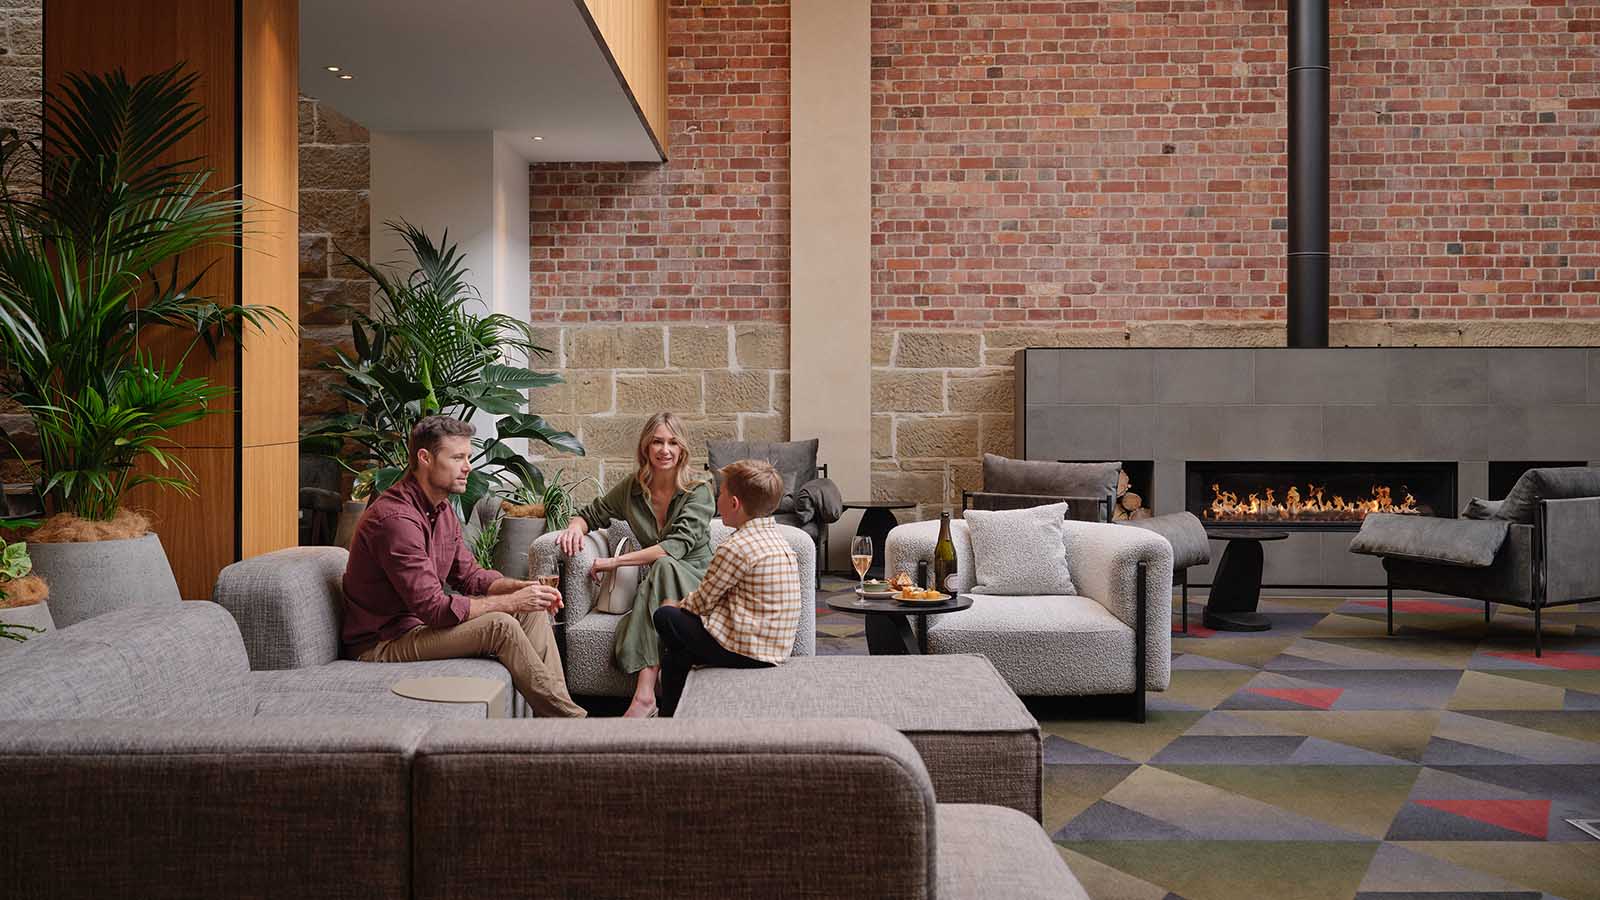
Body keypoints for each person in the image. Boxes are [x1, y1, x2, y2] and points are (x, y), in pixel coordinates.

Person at [341, 415, 585, 718]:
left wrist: (523, 589)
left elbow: (471, 576)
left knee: (530, 610)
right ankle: (574, 723)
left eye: (468, 457)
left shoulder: (441, 510)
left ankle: (556, 724)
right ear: (425, 458)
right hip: (382, 643)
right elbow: (434, 609)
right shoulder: (395, 520)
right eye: (457, 457)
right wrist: (510, 602)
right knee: (501, 626)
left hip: (418, 628)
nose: (468, 466)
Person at [556, 412, 715, 718]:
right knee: (660, 572)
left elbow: (675, 548)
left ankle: (644, 696)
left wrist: (614, 562)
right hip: (660, 582)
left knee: (664, 566)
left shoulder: (699, 489)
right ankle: (648, 697)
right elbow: (591, 514)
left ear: (682, 449)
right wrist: (575, 528)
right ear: (645, 446)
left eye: (672, 442)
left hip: (699, 578)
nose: (664, 450)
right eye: (657, 442)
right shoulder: (632, 489)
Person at [651, 459, 804, 717]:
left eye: (720, 493)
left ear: (734, 503)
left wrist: (673, 604)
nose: (716, 498)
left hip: (748, 651)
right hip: (776, 648)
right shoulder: (777, 539)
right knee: (677, 656)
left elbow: (701, 603)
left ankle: (669, 717)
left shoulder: (735, 547)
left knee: (665, 617)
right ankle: (675, 712)